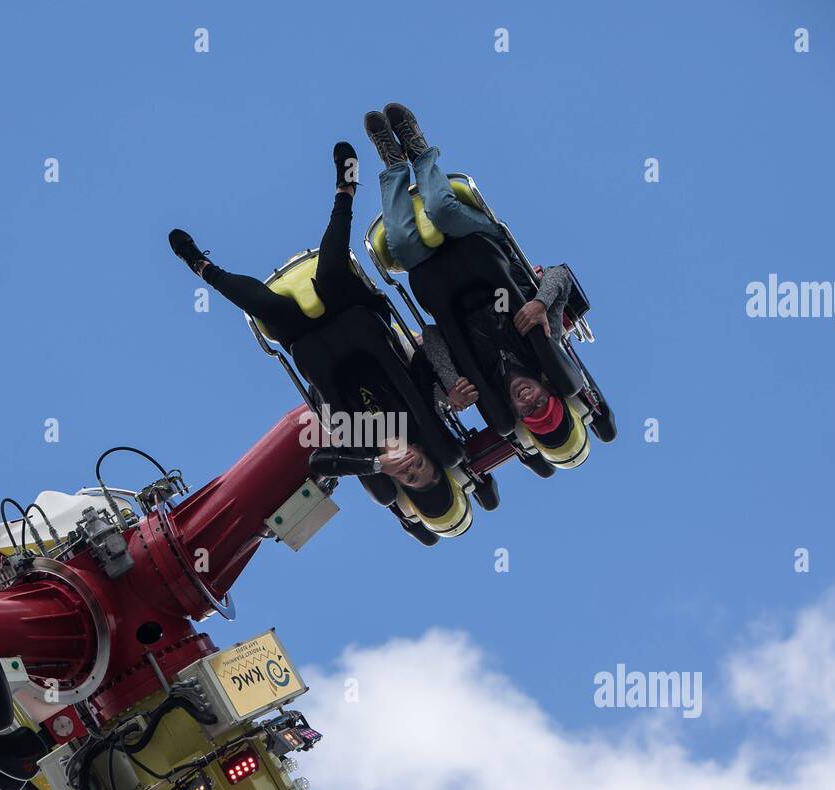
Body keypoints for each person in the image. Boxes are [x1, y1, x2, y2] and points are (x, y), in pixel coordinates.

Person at [167, 144, 471, 513]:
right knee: (329, 272)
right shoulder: (425, 410)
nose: (410, 466)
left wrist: (375, 464)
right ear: (425, 451)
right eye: (421, 466)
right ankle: (346, 191)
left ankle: (201, 266)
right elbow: (429, 346)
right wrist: (452, 385)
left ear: (395, 480)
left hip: (313, 344)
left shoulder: (359, 447)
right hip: (356, 319)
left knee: (266, 307)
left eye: (409, 477)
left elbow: (319, 463)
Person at [364, 104, 578, 445]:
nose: (528, 397)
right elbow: (560, 276)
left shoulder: (476, 382)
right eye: (541, 400)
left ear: (514, 410)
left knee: (403, 243)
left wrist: (451, 384)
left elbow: (432, 336)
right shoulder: (545, 342)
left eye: (527, 409)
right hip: (480, 251)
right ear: (548, 387)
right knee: (441, 210)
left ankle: (393, 164)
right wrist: (539, 302)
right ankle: (418, 150)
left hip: (440, 279)